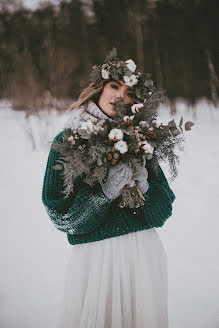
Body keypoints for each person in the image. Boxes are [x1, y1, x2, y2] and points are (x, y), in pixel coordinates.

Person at [42, 51, 175, 328]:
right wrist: (104, 194)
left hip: (144, 258)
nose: (120, 97)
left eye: (129, 93)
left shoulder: (141, 140)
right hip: (96, 264)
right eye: (115, 86)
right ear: (100, 87)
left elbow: (161, 213)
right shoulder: (69, 140)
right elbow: (64, 219)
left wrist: (144, 187)